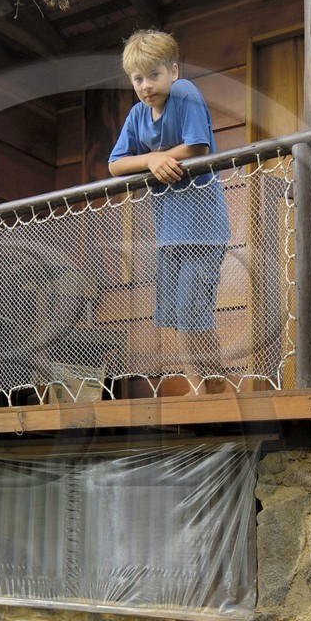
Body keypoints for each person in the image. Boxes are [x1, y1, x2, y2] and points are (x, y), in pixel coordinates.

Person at [108, 29, 230, 391]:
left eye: (153, 75)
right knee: (174, 315)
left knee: (193, 307)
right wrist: (152, 159)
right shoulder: (136, 115)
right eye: (138, 78)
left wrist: (157, 159)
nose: (146, 85)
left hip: (203, 226)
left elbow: (197, 146)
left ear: (173, 72)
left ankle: (215, 379)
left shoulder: (184, 93)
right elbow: (115, 164)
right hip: (167, 232)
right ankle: (198, 388)